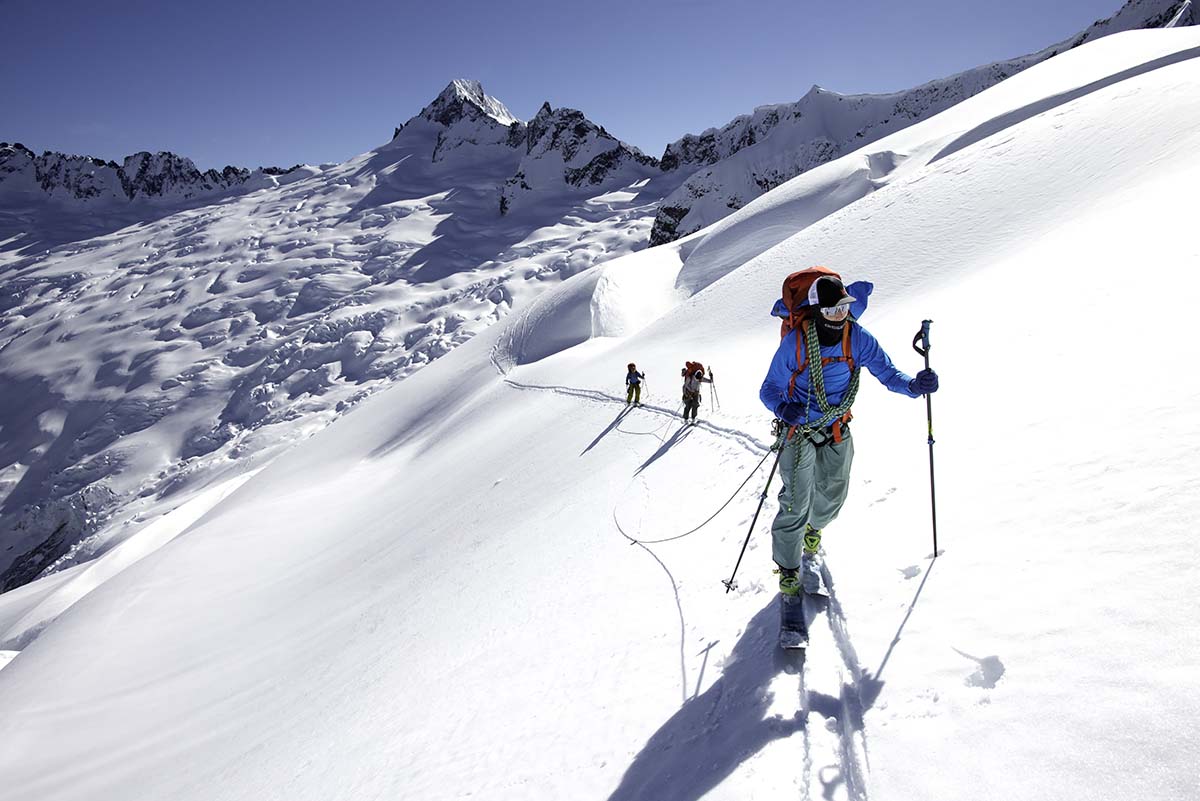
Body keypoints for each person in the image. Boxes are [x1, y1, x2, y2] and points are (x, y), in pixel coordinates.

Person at [759, 274, 938, 596]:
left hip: (837, 426)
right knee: (795, 501)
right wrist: (783, 409)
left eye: (843, 308)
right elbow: (769, 388)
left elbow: (887, 372)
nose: (839, 316)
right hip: (798, 429)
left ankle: (814, 529)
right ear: (817, 311)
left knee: (834, 493)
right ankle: (788, 567)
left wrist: (913, 386)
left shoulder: (858, 338)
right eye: (831, 311)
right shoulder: (796, 343)